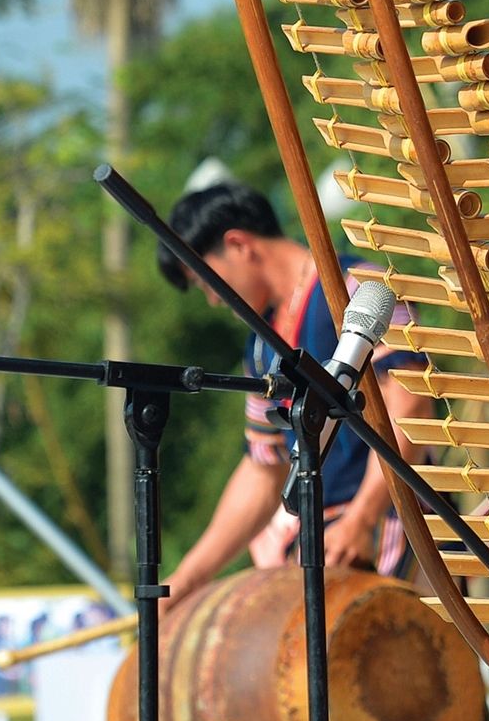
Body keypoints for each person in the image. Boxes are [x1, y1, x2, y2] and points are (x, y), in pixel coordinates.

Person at [155, 182, 430, 605]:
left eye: (206, 281)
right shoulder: (260, 344)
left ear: (239, 245)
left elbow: (411, 407)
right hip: (319, 544)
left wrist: (362, 517)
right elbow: (263, 468)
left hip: (391, 526)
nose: (212, 300)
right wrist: (186, 579)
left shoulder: (356, 286)